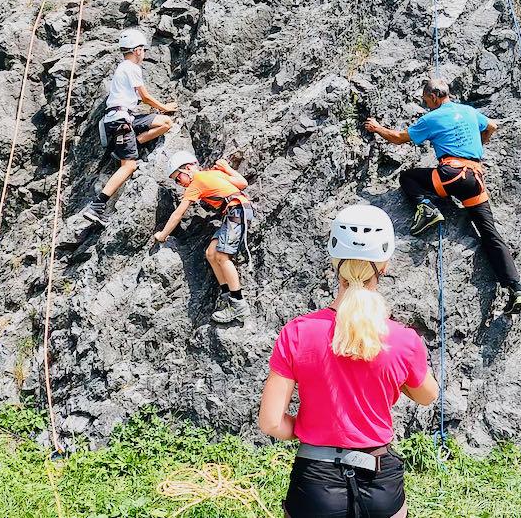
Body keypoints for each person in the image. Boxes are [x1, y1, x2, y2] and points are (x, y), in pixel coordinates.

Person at [259, 204, 439, 518]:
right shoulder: (403, 339)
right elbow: (427, 395)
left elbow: (271, 422)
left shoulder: (298, 332)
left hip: (315, 482)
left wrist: (309, 431)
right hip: (380, 480)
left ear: (335, 263)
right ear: (384, 266)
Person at [364, 78, 521, 316]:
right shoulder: (469, 111)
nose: (425, 104)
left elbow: (399, 138)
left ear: (434, 97)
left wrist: (377, 128)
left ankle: (426, 208)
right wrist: (481, 142)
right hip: (474, 179)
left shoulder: (432, 118)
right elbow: (491, 126)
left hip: (451, 176)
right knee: (489, 233)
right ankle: (515, 289)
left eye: (426, 100)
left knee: (408, 177)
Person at [80, 29, 177, 225]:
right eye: (143, 49)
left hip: (125, 118)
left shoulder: (123, 67)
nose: (144, 53)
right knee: (129, 166)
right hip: (120, 121)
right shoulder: (131, 67)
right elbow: (145, 96)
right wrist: (164, 107)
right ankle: (97, 205)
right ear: (137, 50)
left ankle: (135, 143)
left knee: (165, 123)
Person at [153, 151, 254, 322]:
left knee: (222, 256)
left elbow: (178, 214)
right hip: (236, 211)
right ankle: (226, 296)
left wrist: (163, 235)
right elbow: (242, 183)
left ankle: (239, 305)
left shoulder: (196, 183)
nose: (179, 183)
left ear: (187, 169)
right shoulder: (212, 174)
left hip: (236, 211)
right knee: (211, 253)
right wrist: (227, 168)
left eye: (178, 178)